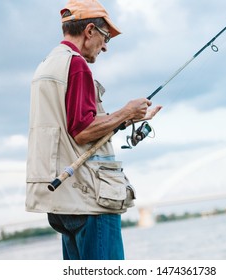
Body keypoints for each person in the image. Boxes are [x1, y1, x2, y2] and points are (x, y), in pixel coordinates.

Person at [25, 0, 162, 260]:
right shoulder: (76, 65)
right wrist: (125, 111)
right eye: (106, 36)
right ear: (89, 31)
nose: (107, 46)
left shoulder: (47, 65)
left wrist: (129, 118)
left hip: (65, 201)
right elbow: (82, 131)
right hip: (90, 199)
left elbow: (70, 129)